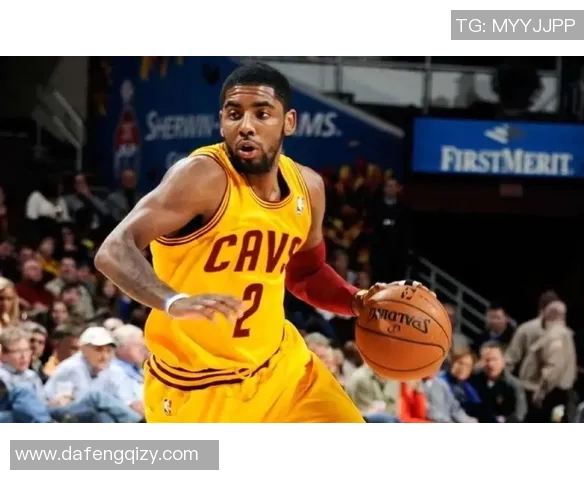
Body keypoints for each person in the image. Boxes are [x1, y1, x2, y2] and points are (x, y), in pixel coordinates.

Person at [95, 62, 419, 423]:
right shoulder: (201, 176)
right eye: (234, 114)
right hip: (199, 386)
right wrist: (173, 301)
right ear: (222, 122)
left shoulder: (308, 187)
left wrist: (356, 300)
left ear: (289, 122)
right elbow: (114, 249)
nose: (246, 126)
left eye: (262, 114)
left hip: (283, 368)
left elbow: (307, 273)